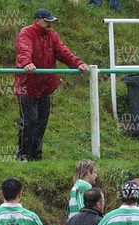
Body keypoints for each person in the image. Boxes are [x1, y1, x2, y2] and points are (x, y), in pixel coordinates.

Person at [14, 8, 89, 161]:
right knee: (29, 122)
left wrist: (78, 64)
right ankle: (22, 156)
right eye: (47, 21)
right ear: (37, 20)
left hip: (45, 87)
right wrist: (27, 63)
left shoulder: (52, 35)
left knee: (41, 122)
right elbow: (24, 50)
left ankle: (36, 156)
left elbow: (64, 53)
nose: (50, 24)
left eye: (51, 21)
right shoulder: (26, 33)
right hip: (27, 87)